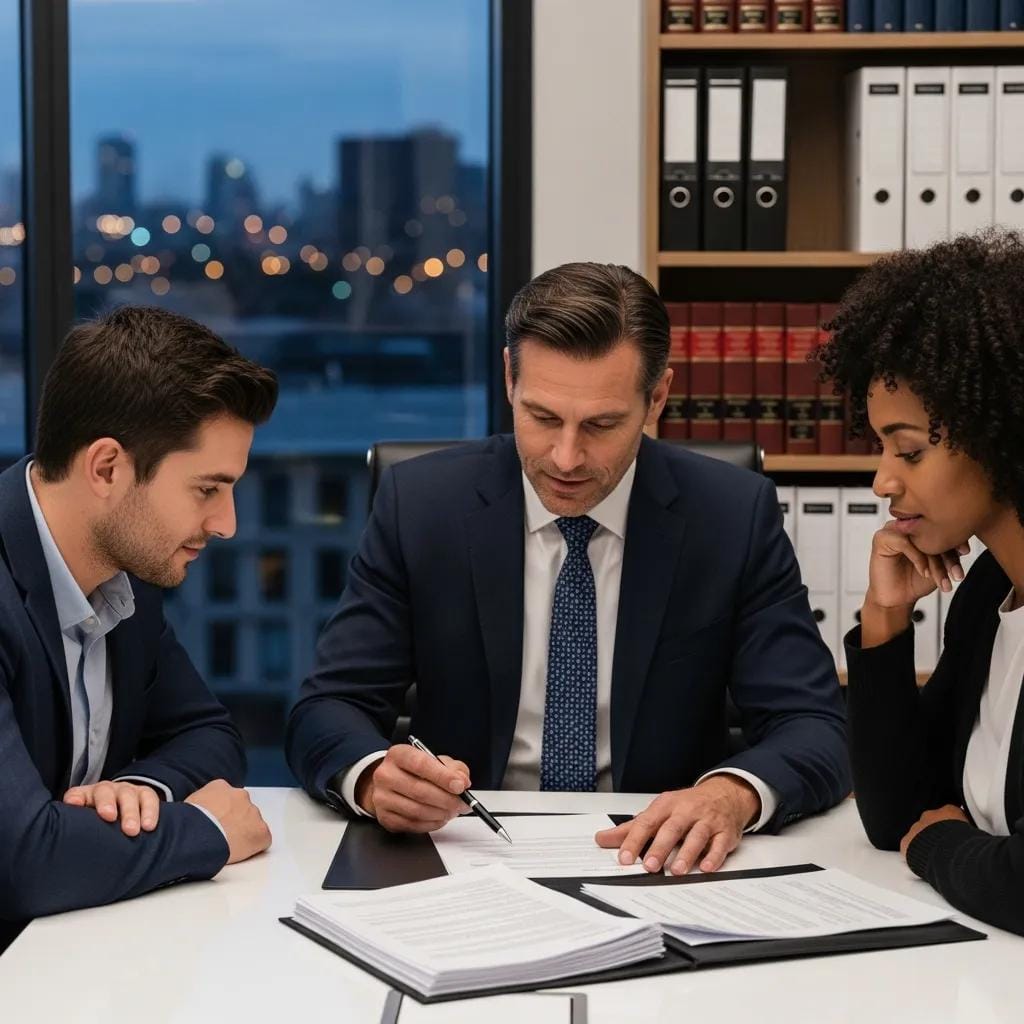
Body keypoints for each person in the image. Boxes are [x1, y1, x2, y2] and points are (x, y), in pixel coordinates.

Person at [287, 262, 849, 875]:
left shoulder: (731, 516)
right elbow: (327, 708)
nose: (566, 457)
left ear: (657, 397)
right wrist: (372, 778)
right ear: (508, 378)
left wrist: (731, 795)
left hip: (655, 858)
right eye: (543, 417)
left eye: (602, 425)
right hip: (465, 851)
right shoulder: (420, 505)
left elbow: (814, 725)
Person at [0, 306, 278, 953]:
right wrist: (204, 829)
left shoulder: (126, 578)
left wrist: (135, 792)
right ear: (106, 469)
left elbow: (208, 733)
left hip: (75, 950)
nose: (226, 523)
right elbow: (21, 863)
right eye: (207, 489)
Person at [818, 229, 1024, 937]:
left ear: (1004, 430)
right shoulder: (989, 594)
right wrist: (885, 619)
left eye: (908, 449)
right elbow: (895, 812)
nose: (884, 480)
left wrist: (938, 846)